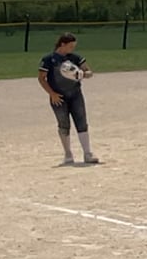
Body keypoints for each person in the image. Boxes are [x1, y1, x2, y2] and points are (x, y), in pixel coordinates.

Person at [37, 32, 100, 167]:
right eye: (70, 46)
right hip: (59, 97)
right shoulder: (49, 59)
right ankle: (68, 154)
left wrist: (82, 74)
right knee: (63, 124)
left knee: (81, 122)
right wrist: (52, 94)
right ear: (62, 44)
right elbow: (41, 78)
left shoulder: (75, 58)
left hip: (75, 95)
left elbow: (89, 72)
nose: (72, 48)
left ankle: (87, 153)